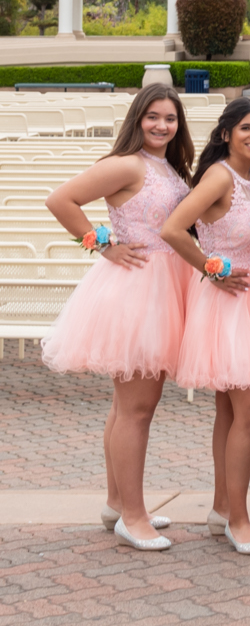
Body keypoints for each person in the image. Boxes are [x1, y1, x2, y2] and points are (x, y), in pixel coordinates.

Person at [40, 84, 195, 551]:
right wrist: (103, 245)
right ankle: (133, 515)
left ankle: (116, 502)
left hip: (164, 285)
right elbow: (60, 200)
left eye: (169, 118)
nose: (161, 125)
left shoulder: (167, 166)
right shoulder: (127, 164)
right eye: (152, 117)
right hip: (138, 290)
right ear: (137, 119)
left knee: (125, 406)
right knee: (137, 409)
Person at [160, 96, 250, 556]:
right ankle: (238, 519)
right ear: (226, 133)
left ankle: (221, 507)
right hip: (229, 302)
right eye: (247, 128)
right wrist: (212, 268)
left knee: (231, 411)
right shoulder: (219, 175)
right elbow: (174, 228)